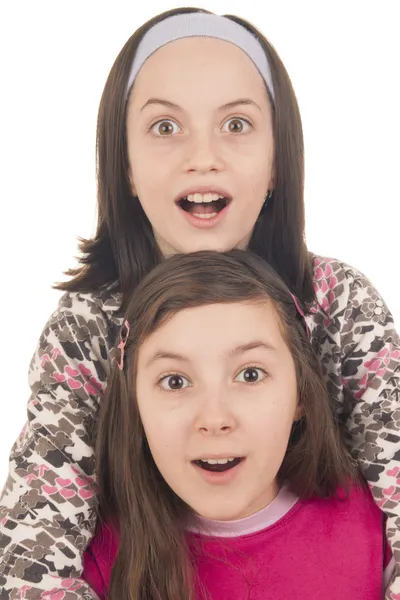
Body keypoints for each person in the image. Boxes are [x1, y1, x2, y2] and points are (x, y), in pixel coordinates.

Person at [0, 7, 399, 600]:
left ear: (276, 164)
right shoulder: (86, 330)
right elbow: (36, 543)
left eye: (235, 125)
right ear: (126, 167)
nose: (202, 157)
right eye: (166, 127)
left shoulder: (338, 303)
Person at [82, 250, 394, 600]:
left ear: (300, 395)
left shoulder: (376, 528)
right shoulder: (92, 559)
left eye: (250, 374)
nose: (215, 419)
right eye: (175, 381)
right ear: (134, 404)